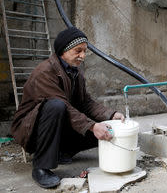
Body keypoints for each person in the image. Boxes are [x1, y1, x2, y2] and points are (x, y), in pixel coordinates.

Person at [11, 26, 125, 188]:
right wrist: (92, 126)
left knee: (107, 130)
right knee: (56, 106)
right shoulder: (44, 72)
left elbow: (86, 102)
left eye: (85, 51)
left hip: (59, 125)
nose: (82, 56)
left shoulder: (75, 73)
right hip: (32, 129)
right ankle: (41, 167)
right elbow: (62, 105)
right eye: (78, 51)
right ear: (63, 51)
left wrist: (110, 115)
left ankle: (62, 151)